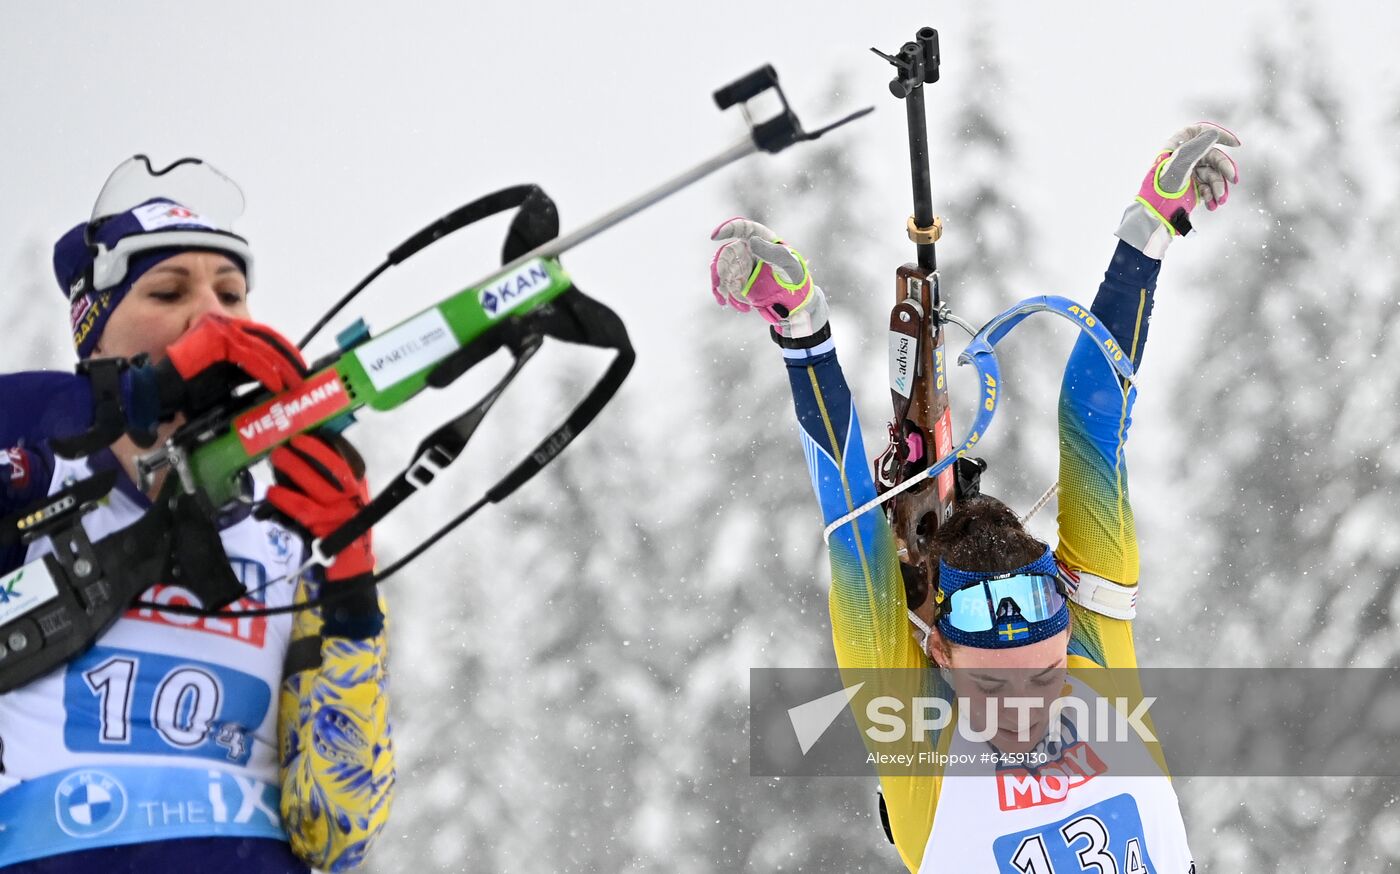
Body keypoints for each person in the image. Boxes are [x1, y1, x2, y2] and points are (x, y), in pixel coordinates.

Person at [708, 124, 1240, 872]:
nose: (1027, 711)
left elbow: (854, 528)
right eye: (991, 684)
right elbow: (1092, 415)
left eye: (1044, 676)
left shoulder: (955, 713)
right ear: (942, 653)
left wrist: (804, 333)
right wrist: (1148, 231)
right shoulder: (1062, 663)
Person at [0, 156, 393, 872]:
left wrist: (350, 582)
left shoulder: (280, 535)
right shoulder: (34, 470)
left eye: (233, 293)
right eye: (169, 289)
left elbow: (338, 828)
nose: (213, 315)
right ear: (97, 334)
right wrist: (120, 404)